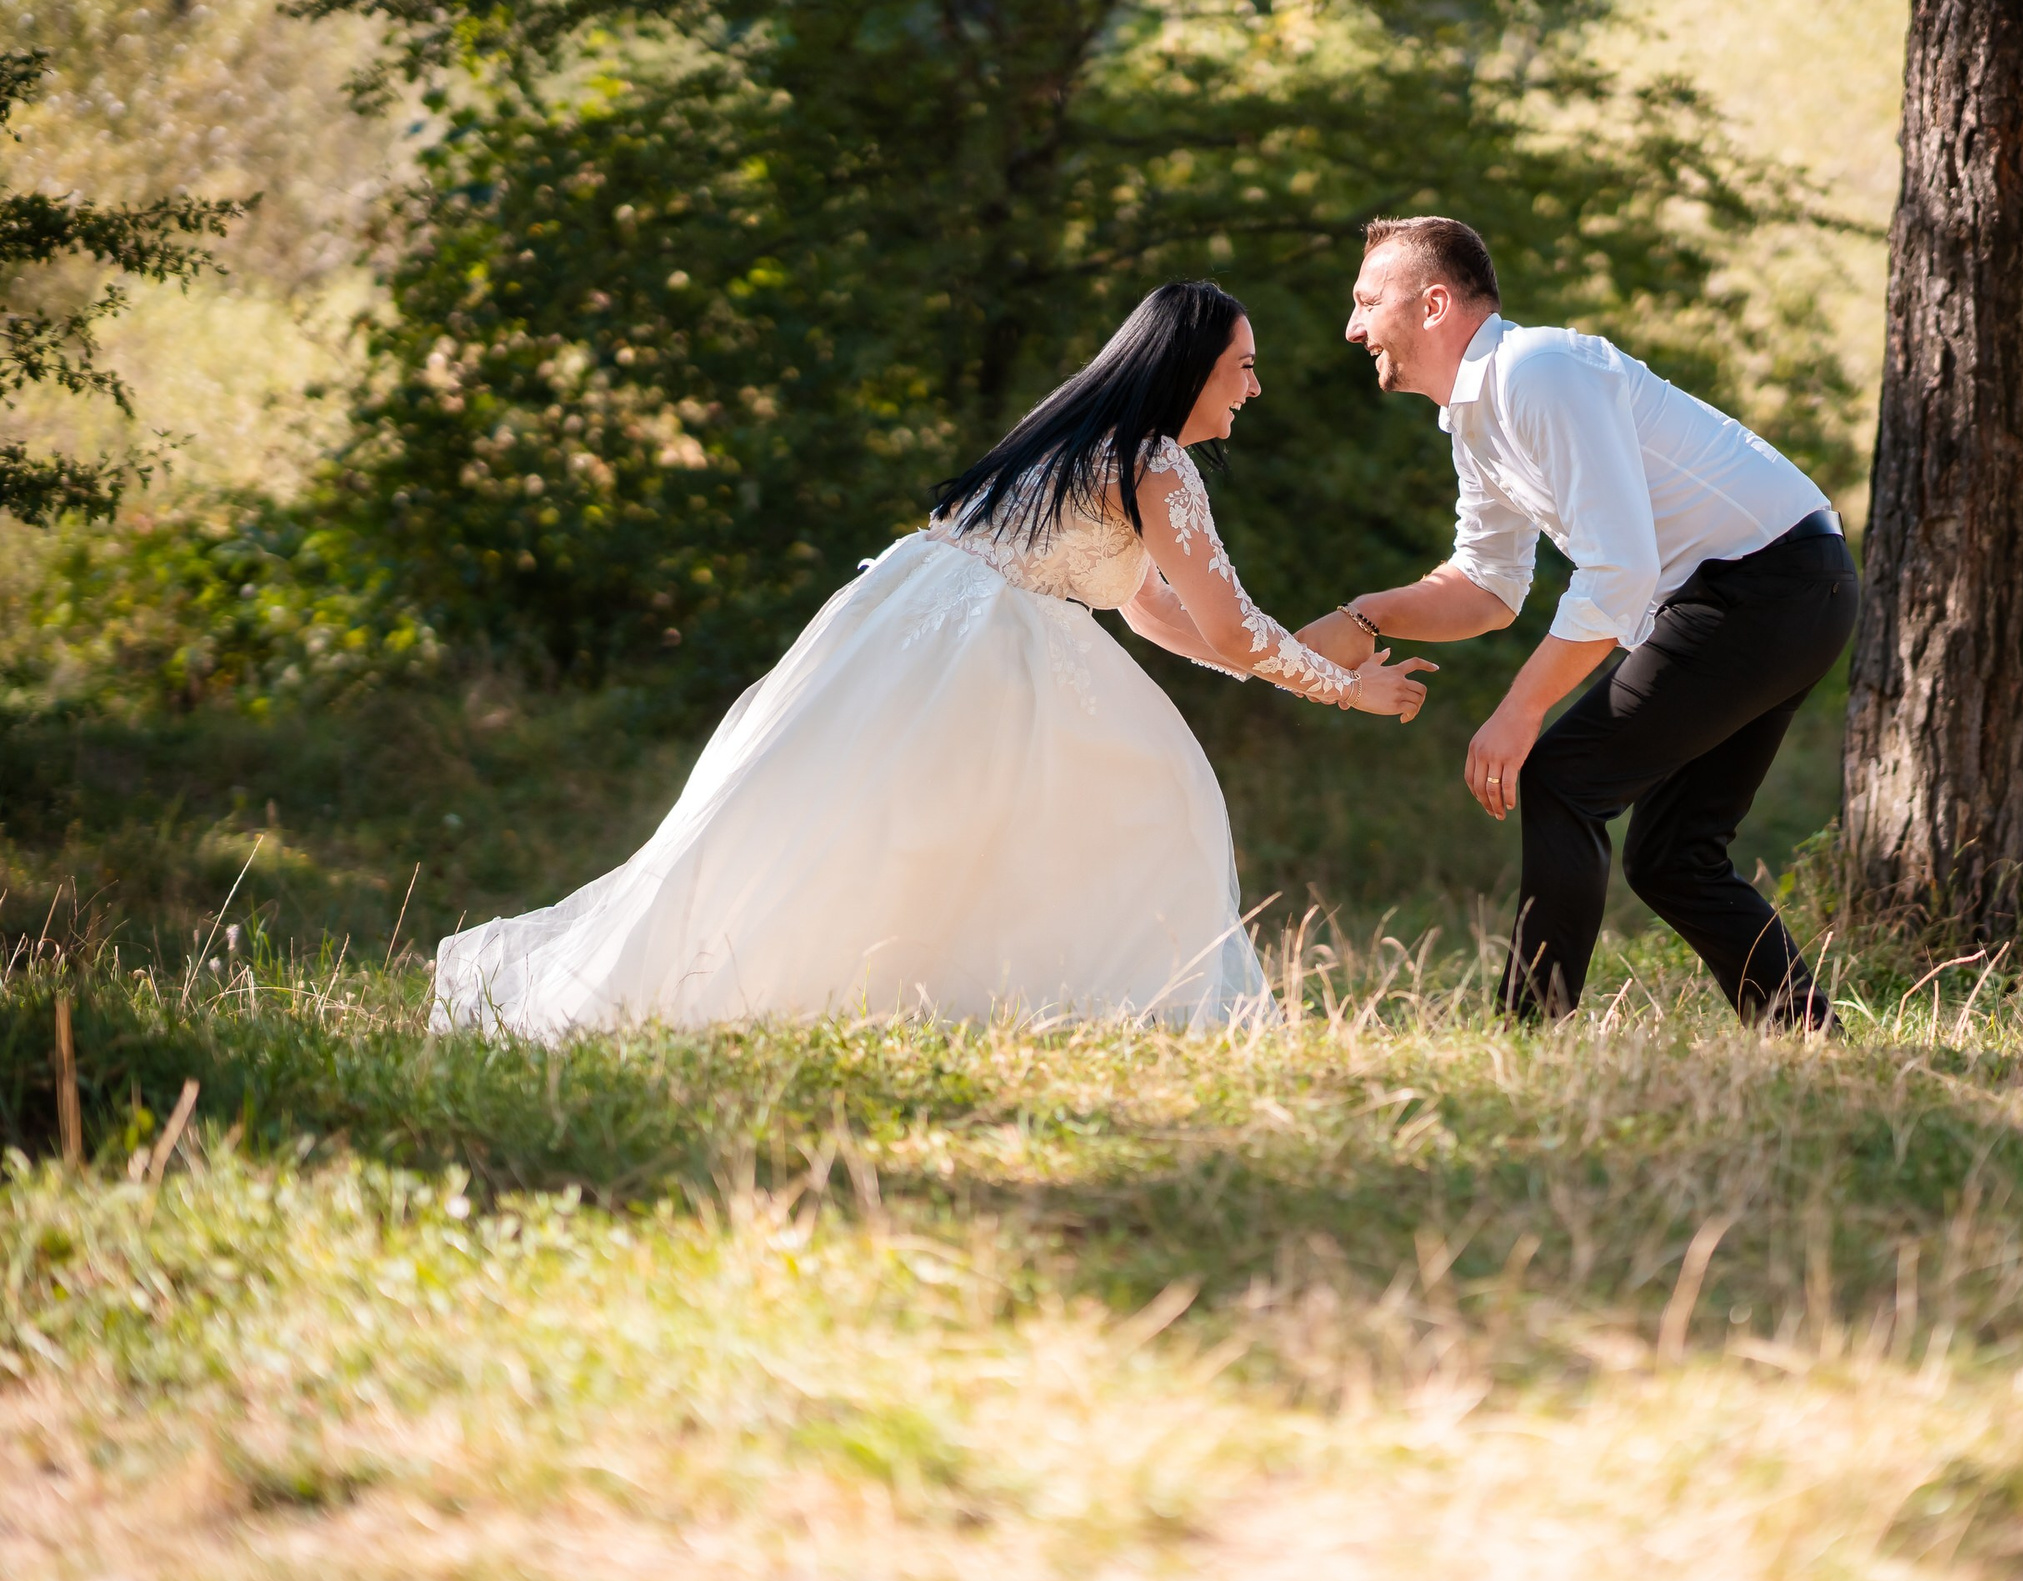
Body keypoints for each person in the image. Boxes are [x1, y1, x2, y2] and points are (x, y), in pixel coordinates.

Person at [433, 280, 1435, 1037]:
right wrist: (1345, 683)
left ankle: (932, 990)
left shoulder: (1079, 436)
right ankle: (1100, 1003)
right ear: (1191, 367)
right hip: (988, 651)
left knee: (867, 825)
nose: (1253, 387)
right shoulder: (1155, 461)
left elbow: (1158, 617)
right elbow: (1223, 627)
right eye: (1243, 366)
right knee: (1151, 793)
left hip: (909, 623)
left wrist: (1297, 655)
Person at [1298, 217, 1855, 1029]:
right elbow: (1488, 586)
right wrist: (1370, 613)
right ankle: (1806, 1034)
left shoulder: (1540, 370)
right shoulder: (1475, 418)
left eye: (1366, 301)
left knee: (1562, 776)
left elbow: (1618, 568)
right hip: (1775, 593)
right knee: (1670, 855)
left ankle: (1531, 1029)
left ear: (1434, 304)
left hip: (1766, 584)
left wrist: (1521, 711)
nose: (1353, 327)